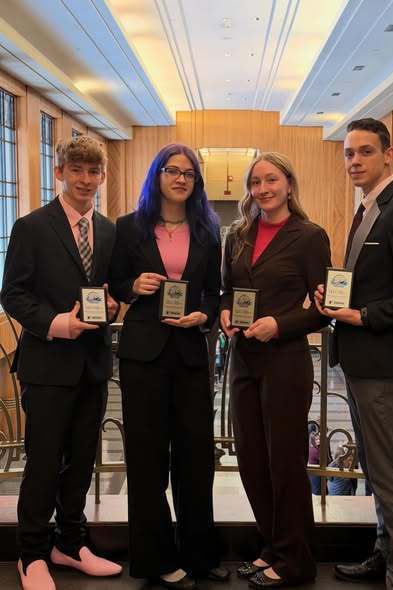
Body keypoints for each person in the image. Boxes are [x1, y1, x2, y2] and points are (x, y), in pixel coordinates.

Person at [314, 118, 393, 589]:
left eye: (365, 152)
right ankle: (384, 553)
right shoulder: (369, 207)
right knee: (374, 467)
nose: (354, 161)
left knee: (390, 475)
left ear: (388, 155)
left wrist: (365, 316)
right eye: (349, 153)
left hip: (384, 365)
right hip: (361, 362)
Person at [1, 136, 122, 590]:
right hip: (47, 365)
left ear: (102, 176)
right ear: (59, 172)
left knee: (82, 461)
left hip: (92, 366)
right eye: (77, 171)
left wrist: (112, 307)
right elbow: (12, 293)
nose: (86, 180)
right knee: (44, 461)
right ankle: (30, 554)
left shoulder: (110, 231)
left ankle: (70, 545)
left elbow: (114, 290)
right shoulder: (31, 227)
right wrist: (55, 323)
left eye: (93, 172)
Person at [110, 143, 228, 589]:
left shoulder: (208, 230)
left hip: (192, 355)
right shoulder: (128, 228)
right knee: (147, 459)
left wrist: (204, 313)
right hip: (144, 356)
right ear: (156, 176)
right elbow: (116, 282)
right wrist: (132, 285)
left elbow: (214, 292)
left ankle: (201, 555)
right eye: (171, 170)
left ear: (196, 183)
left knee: (197, 458)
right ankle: (155, 558)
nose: (181, 178)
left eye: (189, 173)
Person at [220, 152, 331, 588]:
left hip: (285, 361)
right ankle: (273, 546)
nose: (263, 189)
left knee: (283, 461)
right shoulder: (239, 234)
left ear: (288, 184)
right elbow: (230, 289)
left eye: (271, 180)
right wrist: (227, 312)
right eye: (255, 182)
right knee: (251, 459)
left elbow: (324, 311)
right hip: (243, 359)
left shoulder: (309, 236)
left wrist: (280, 325)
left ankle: (295, 561)